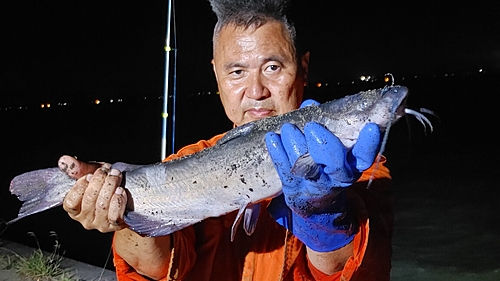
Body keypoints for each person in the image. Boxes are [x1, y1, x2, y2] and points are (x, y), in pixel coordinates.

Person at [60, 0, 393, 280]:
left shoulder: (359, 171)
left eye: (273, 67)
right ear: (217, 75)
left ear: (303, 68)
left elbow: (357, 272)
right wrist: (120, 211)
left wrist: (327, 217)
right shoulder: (190, 159)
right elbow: (157, 268)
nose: (257, 90)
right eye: (237, 72)